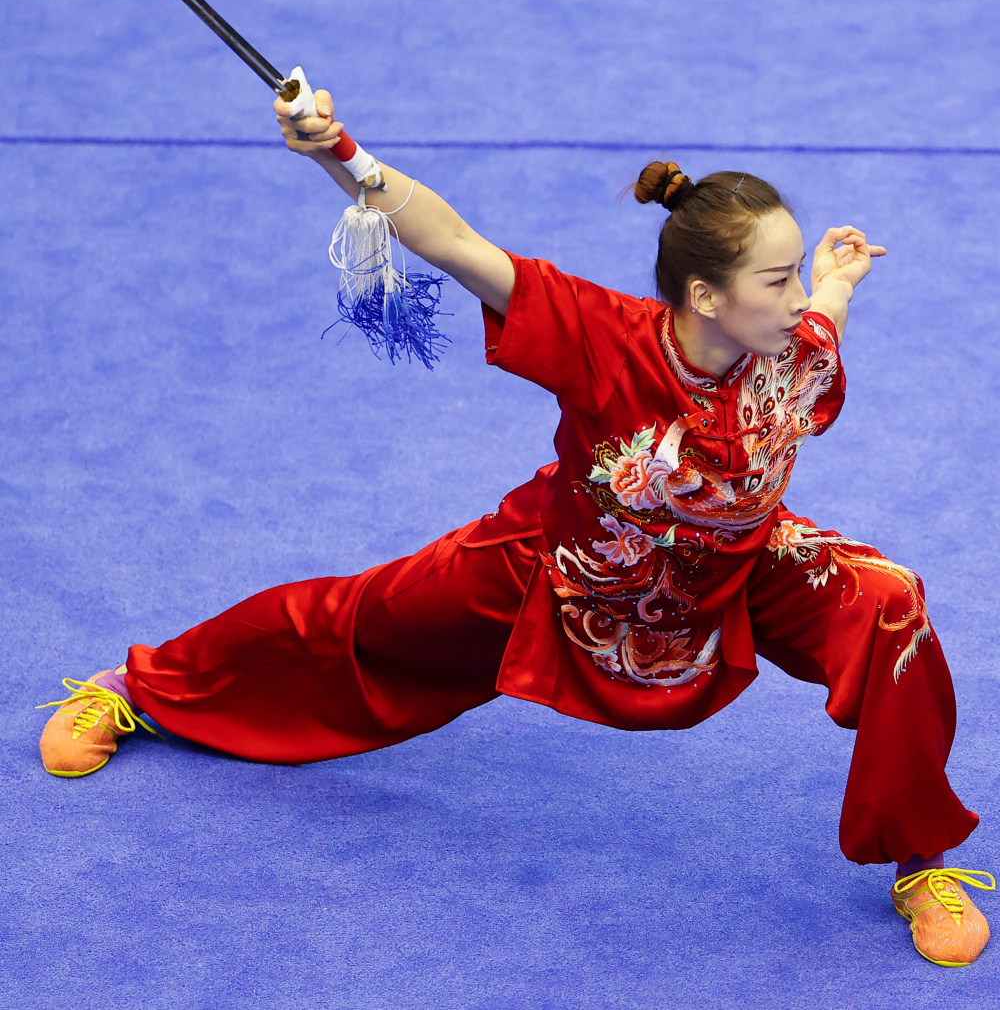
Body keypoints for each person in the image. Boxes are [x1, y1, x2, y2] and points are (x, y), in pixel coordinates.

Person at [39, 89, 993, 967]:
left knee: (888, 604)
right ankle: (142, 686)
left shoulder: (793, 341)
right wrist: (342, 154)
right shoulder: (603, 335)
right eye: (778, 281)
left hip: (738, 567)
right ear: (707, 295)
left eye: (796, 281)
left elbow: (821, 320)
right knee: (360, 622)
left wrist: (836, 279)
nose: (798, 304)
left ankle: (921, 859)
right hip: (564, 570)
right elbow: (455, 243)